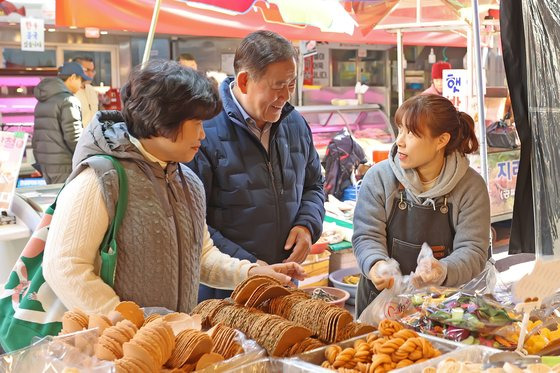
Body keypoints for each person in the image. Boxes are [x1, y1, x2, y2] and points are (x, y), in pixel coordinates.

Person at [42, 60, 305, 315]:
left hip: (175, 346)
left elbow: (202, 257)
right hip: (118, 350)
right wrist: (127, 323)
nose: (203, 134)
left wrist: (251, 273)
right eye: (197, 124)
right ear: (162, 121)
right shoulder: (101, 178)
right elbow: (64, 267)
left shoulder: (188, 182)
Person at [188, 30, 325, 301]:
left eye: (292, 84)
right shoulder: (202, 130)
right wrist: (249, 267)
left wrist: (307, 225)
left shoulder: (295, 123)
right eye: (278, 85)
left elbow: (314, 185)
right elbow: (192, 221)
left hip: (283, 285)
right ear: (244, 81)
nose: (286, 95)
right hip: (224, 291)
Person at [352, 94, 490, 316]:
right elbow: (366, 235)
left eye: (411, 134)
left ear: (441, 141)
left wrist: (443, 269)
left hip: (441, 308)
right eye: (400, 130)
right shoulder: (379, 178)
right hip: (379, 306)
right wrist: (375, 263)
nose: (400, 141)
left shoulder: (471, 187)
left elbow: (473, 250)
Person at [32, 61, 90, 184]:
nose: (81, 86)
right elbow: (74, 137)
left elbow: (36, 137)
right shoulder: (68, 100)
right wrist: (88, 157)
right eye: (80, 80)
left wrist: (39, 162)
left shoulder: (42, 100)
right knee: (67, 201)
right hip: (64, 165)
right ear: (73, 77)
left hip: (46, 165)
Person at [73, 56, 99, 127]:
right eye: (87, 70)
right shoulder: (69, 93)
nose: (91, 74)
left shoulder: (92, 90)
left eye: (92, 70)